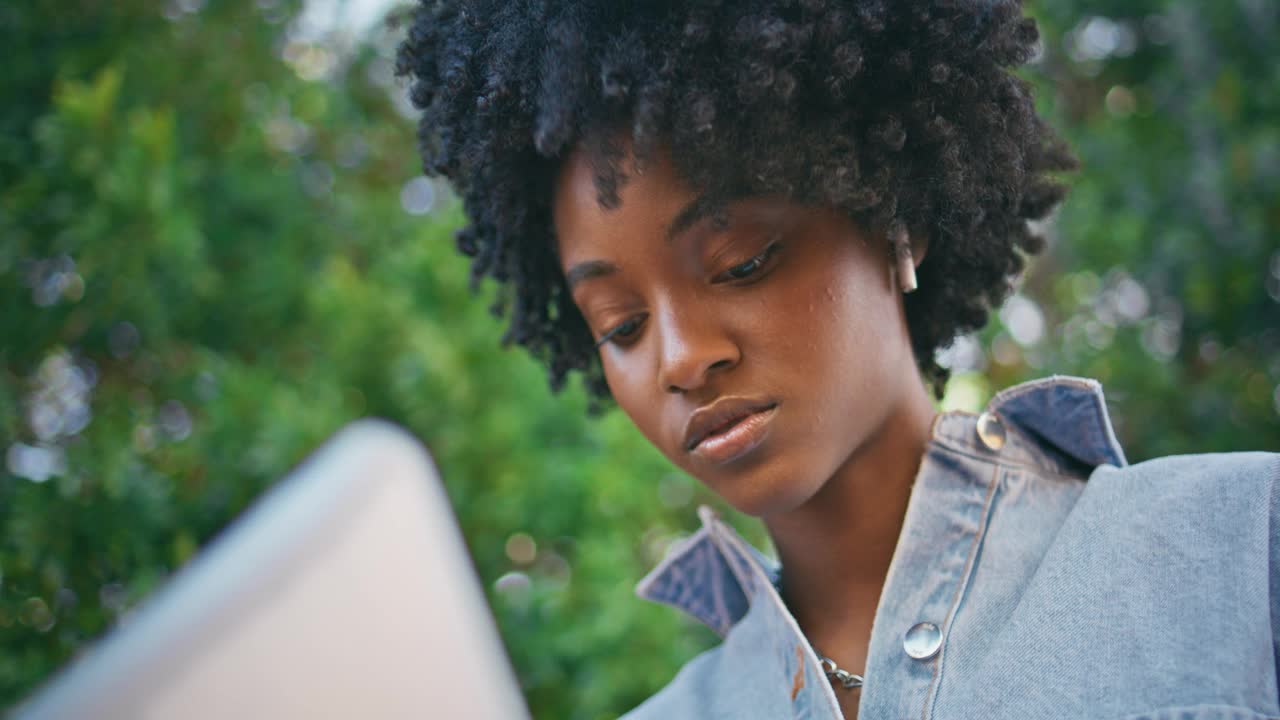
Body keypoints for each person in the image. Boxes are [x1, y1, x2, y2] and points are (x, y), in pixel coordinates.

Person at [395, 1, 1280, 718]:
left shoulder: (1241, 549)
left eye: (741, 262)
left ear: (897, 223)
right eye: (620, 324)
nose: (680, 359)